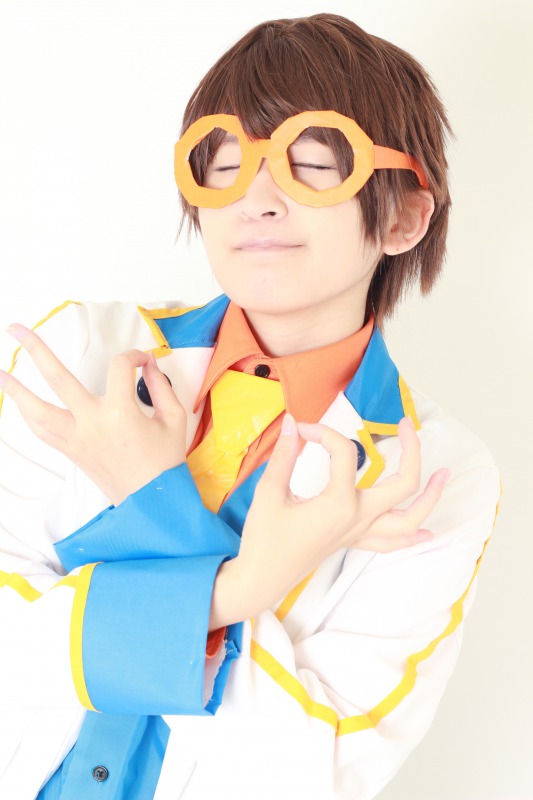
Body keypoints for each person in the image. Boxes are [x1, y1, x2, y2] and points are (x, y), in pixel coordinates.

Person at [0, 12, 500, 800]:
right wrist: (243, 587)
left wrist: (151, 508)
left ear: (402, 216)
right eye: (224, 165)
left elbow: (314, 769)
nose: (256, 200)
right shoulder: (83, 354)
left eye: (312, 164)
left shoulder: (432, 475)